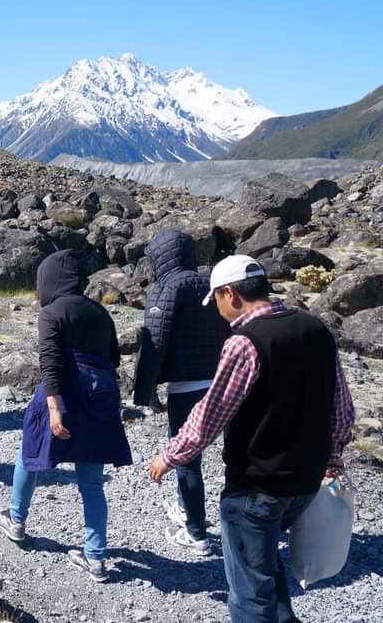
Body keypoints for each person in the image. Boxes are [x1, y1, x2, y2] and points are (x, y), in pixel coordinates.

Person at [148, 255, 354, 623]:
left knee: (249, 598)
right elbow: (342, 407)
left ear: (231, 294)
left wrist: (171, 455)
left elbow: (212, 413)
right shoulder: (315, 328)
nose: (219, 312)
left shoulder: (245, 343)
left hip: (256, 486)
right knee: (263, 567)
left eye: (217, 302)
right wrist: (332, 455)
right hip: (305, 481)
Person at [0, 249, 130, 583]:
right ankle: (95, 557)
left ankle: (17, 520)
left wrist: (54, 409)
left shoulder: (51, 313)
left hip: (63, 393)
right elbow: (114, 358)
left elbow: (50, 361)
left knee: (31, 452)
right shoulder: (100, 312)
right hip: (99, 397)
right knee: (92, 484)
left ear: (49, 280)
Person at [132, 229, 231, 554]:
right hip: (223, 382)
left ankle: (196, 534)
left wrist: (145, 391)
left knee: (188, 460)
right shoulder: (210, 283)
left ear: (160, 256)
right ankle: (196, 512)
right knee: (233, 458)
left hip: (185, 388)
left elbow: (154, 342)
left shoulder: (168, 287)